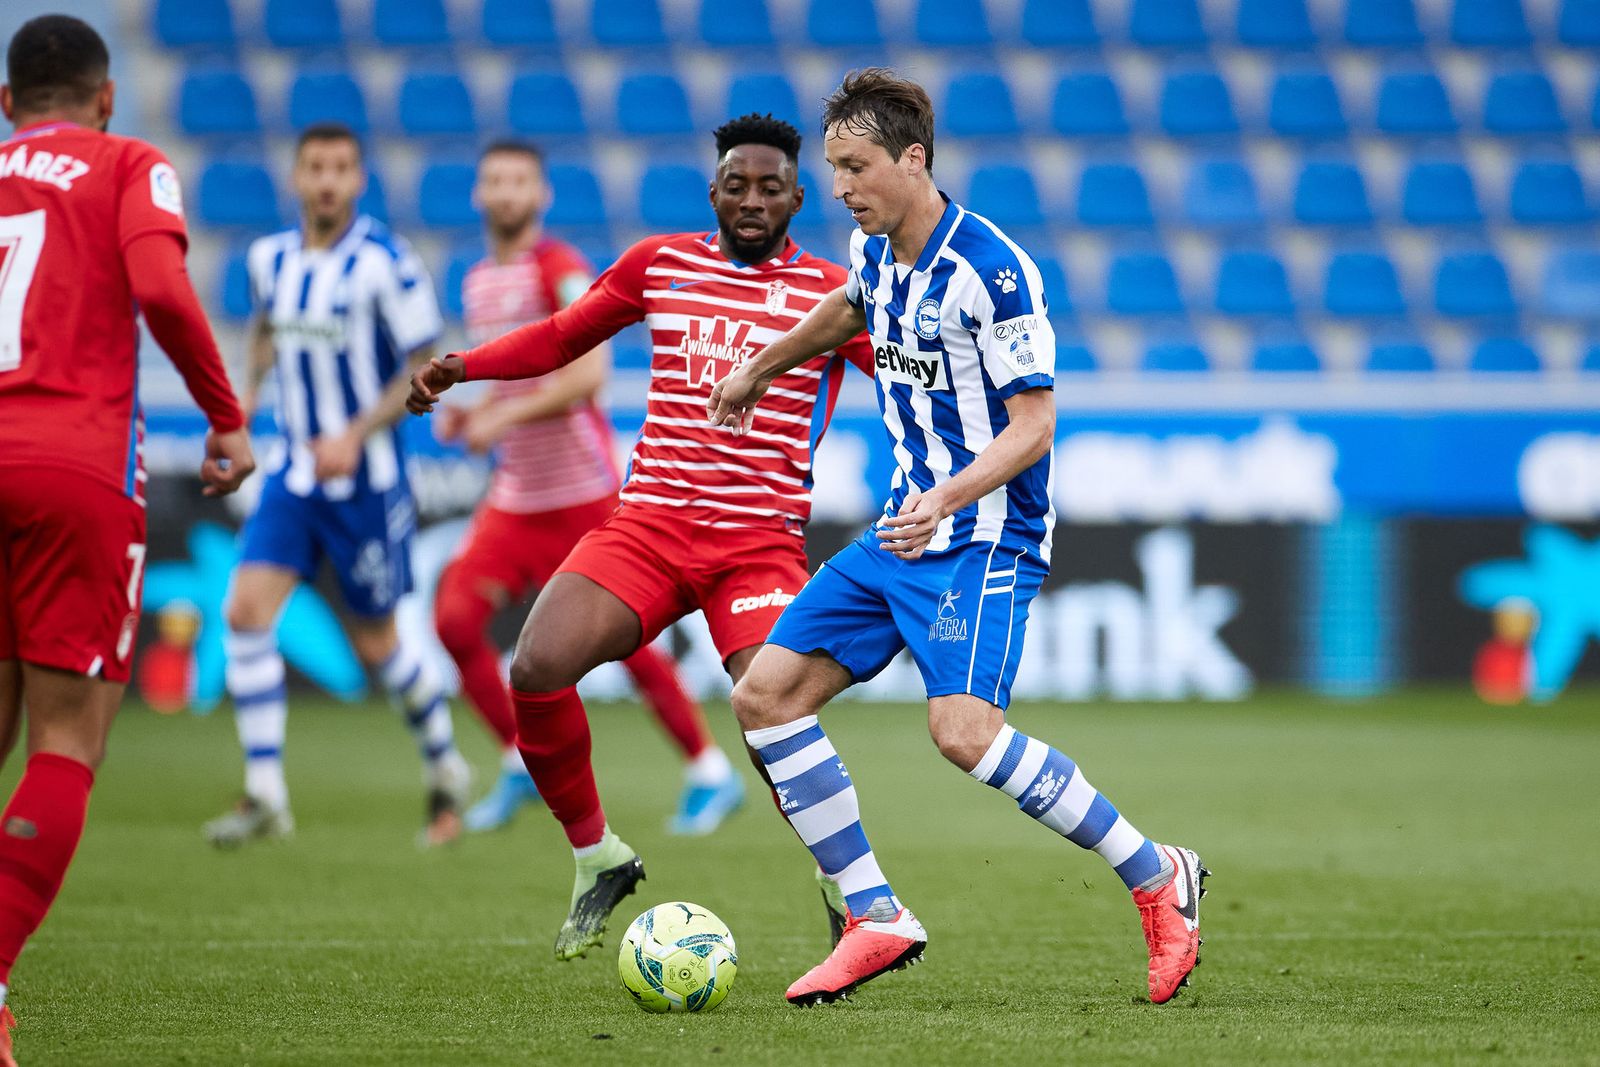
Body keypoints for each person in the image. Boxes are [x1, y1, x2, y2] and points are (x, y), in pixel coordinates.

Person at [709, 69, 1207, 1007]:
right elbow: (850, 309)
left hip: (981, 536)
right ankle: (874, 913)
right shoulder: (877, 252)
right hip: (902, 531)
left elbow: (1034, 426)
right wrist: (759, 368)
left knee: (963, 733)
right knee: (765, 697)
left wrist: (943, 498)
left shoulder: (993, 267)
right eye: (835, 168)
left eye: (857, 167)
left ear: (913, 160)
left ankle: (1157, 874)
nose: (843, 187)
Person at [408, 114, 874, 960]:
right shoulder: (661, 262)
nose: (753, 200)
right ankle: (598, 855)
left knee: (773, 712)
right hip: (648, 525)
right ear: (714, 193)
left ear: (800, 198)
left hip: (757, 543)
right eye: (738, 184)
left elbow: (911, 376)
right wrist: (463, 366)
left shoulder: (837, 296)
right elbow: (561, 336)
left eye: (771, 187)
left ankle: (848, 888)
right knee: (537, 669)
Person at [0, 15, 254, 1062]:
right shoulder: (129, 162)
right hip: (73, 464)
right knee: (65, 738)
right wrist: (225, 412)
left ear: (8, 104)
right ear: (106, 97)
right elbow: (157, 287)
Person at [434, 140, 740, 835]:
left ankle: (709, 771)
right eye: (494, 181)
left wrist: (501, 413)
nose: (506, 193)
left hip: (581, 495)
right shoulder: (478, 278)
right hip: (515, 499)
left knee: (627, 644)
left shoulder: (562, 269)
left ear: (541, 196)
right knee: (452, 621)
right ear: (479, 194)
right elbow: (514, 376)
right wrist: (476, 414)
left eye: (519, 181)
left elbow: (586, 374)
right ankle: (519, 760)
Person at [203, 123, 471, 849]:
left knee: (381, 647)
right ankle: (265, 792)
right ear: (296, 177)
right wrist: (241, 411)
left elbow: (424, 367)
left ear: (358, 180)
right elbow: (261, 336)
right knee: (245, 610)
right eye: (314, 168)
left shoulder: (387, 262)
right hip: (292, 474)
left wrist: (355, 433)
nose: (326, 181)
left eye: (340, 169)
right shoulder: (271, 259)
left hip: (367, 481)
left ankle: (445, 763)